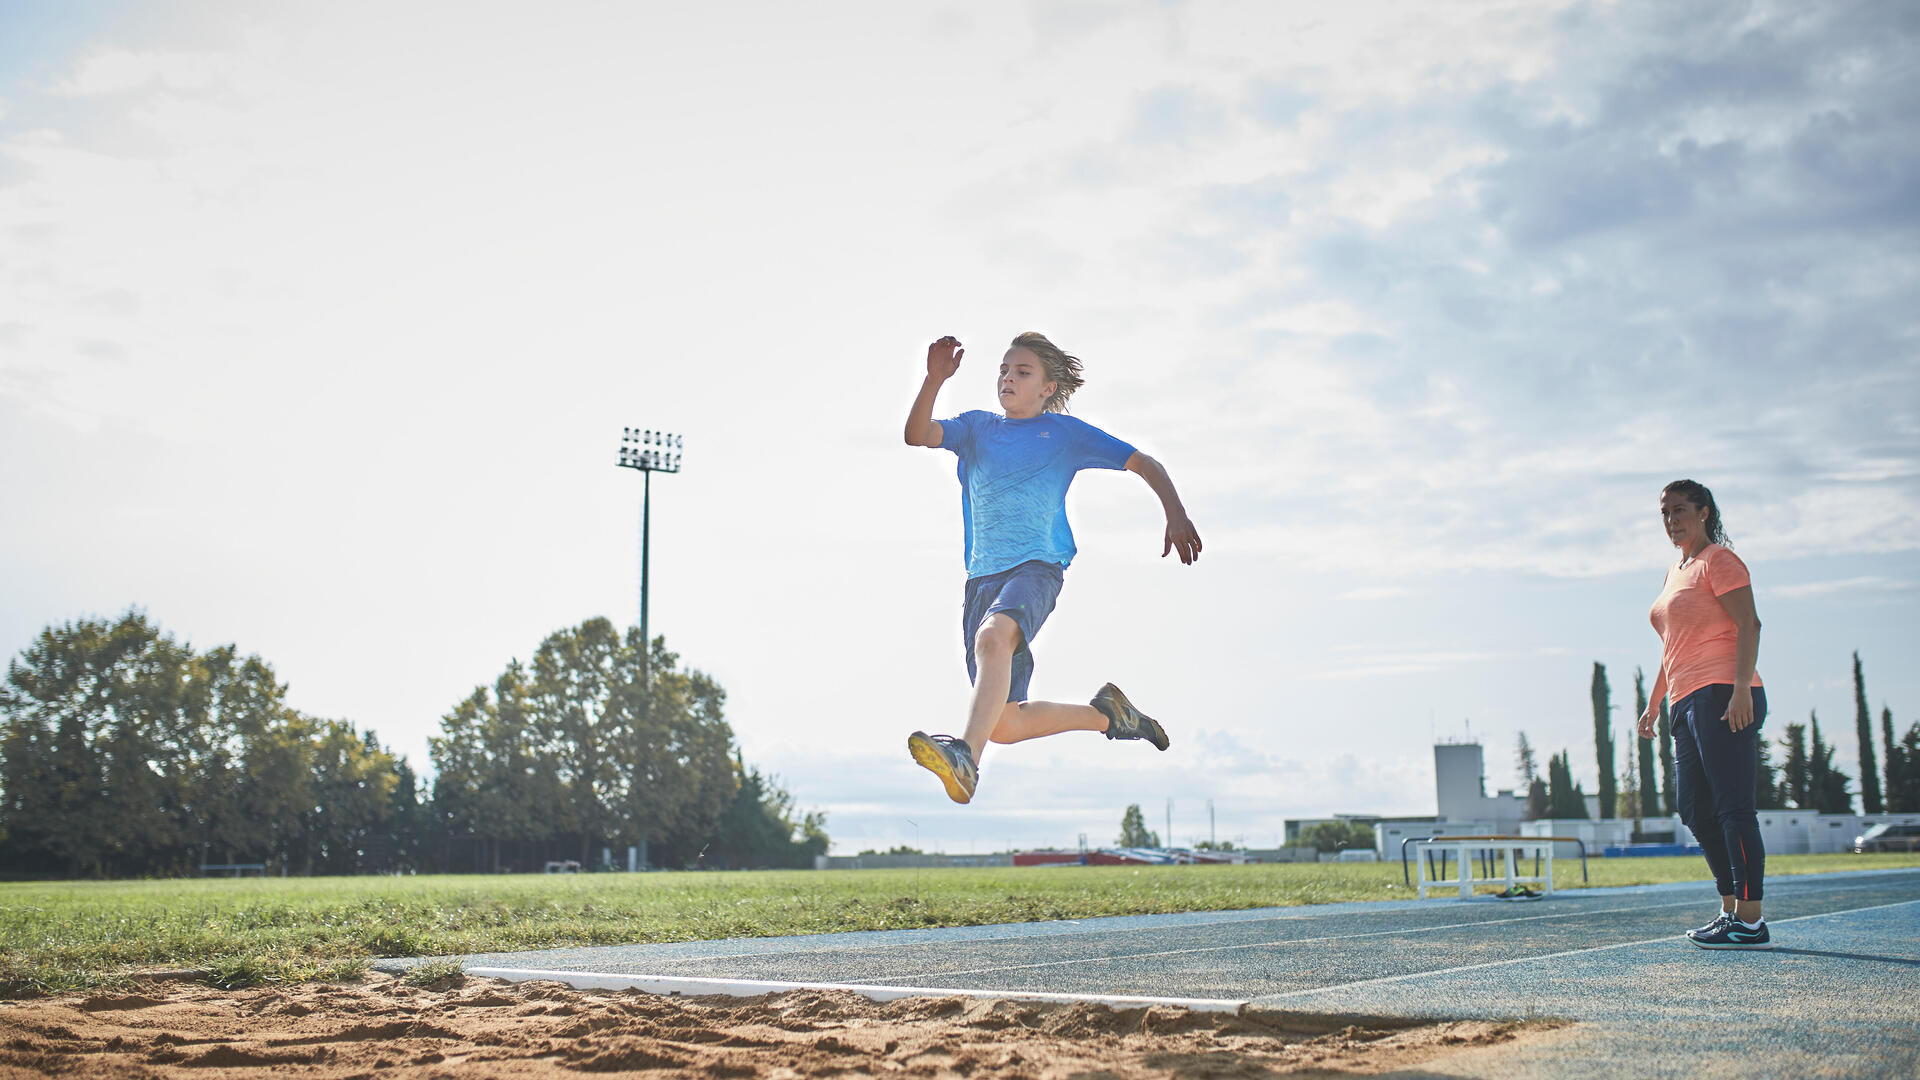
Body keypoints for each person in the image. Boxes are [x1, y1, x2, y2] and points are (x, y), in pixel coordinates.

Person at [901, 332, 1201, 804]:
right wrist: (934, 380)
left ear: (1047, 388)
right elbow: (917, 435)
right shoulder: (976, 428)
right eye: (1004, 369)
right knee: (1002, 723)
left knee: (992, 639)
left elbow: (1145, 463)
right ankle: (1111, 716)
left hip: (1036, 568)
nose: (1008, 378)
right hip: (981, 581)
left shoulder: (1064, 434)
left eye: (1022, 372)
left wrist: (1175, 513)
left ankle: (965, 759)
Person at [1639, 479, 1770, 949]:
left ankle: (1750, 921)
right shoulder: (1677, 571)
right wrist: (1655, 703)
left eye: (1680, 511)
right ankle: (1730, 906)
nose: (1672, 521)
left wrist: (1740, 691)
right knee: (1694, 809)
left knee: (1734, 808)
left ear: (1704, 511)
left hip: (1722, 692)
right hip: (1685, 698)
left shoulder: (1719, 560)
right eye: (1665, 513)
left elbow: (1749, 624)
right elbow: (1672, 647)